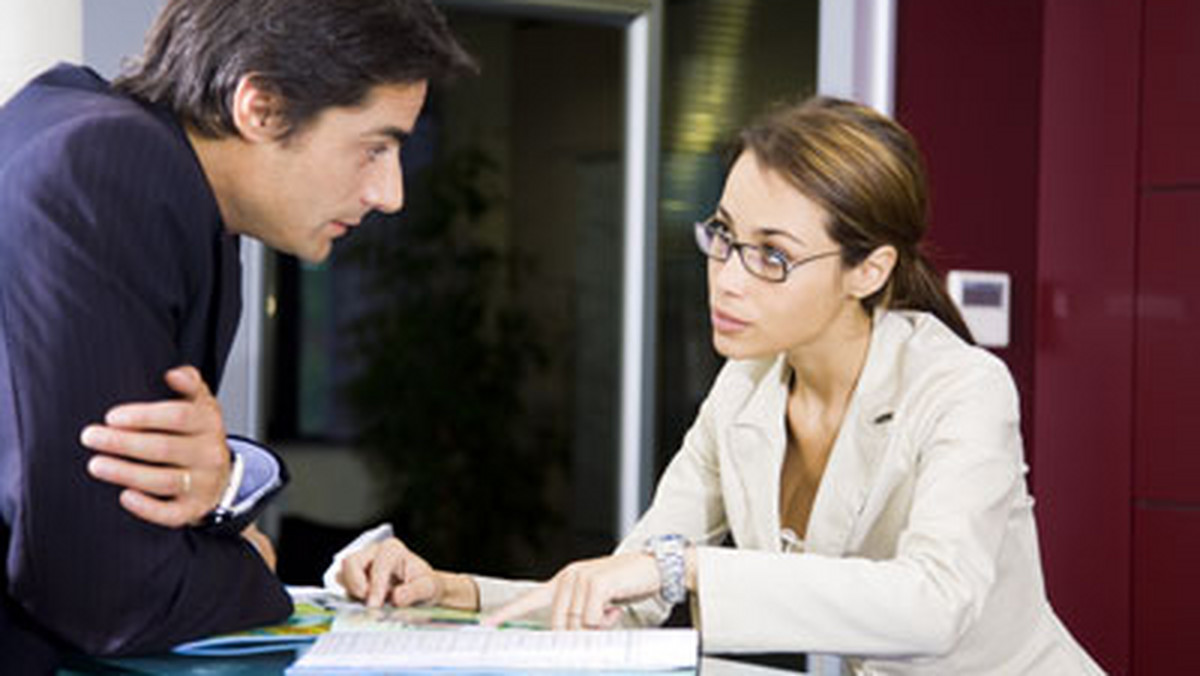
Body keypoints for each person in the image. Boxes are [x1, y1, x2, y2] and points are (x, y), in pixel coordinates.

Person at [335, 97, 1104, 674]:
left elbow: (935, 605)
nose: (727, 279)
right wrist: (453, 591)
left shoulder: (963, 387)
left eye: (772, 255)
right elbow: (630, 588)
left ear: (868, 270)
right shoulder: (746, 386)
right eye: (725, 237)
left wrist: (689, 568)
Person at [0, 0, 473, 670]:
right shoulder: (110, 168)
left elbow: (140, 485)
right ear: (262, 107)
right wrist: (253, 562)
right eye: (375, 146)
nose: (390, 193)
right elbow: (106, 592)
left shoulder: (94, 137)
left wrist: (223, 483)